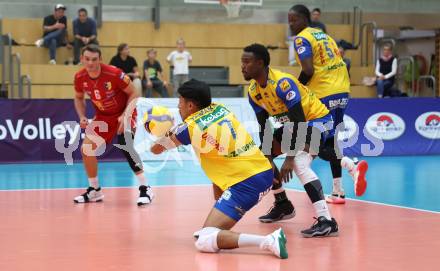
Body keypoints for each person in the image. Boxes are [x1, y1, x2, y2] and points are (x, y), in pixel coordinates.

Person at [150, 79, 288, 258]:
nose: (179, 108)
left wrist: (163, 131)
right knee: (213, 216)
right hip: (262, 170)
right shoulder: (220, 108)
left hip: (246, 182)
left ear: (191, 105)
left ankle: (268, 240)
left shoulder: (189, 127)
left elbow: (156, 150)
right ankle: (220, 228)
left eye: (180, 104)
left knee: (204, 239)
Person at [242, 43, 339, 237]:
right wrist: (267, 156)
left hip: (319, 121)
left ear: (260, 63)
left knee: (299, 163)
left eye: (247, 62)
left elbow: (300, 123)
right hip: (293, 127)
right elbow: (264, 127)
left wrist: (289, 157)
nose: (242, 66)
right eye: (242, 62)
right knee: (262, 158)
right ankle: (283, 204)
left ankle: (327, 221)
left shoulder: (283, 84)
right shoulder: (254, 91)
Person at [289, 4, 368, 205]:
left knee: (318, 143)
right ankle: (338, 191)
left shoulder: (302, 38)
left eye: (294, 20)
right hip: (341, 89)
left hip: (323, 93)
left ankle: (352, 166)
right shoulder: (323, 35)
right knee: (332, 140)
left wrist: (297, 88)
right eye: (289, 20)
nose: (291, 24)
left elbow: (308, 70)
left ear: (305, 20)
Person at [73, 44, 153, 206]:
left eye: (94, 59)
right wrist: (82, 116)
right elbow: (79, 98)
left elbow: (134, 93)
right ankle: (95, 190)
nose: (90, 63)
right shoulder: (80, 77)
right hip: (103, 116)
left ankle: (146, 188)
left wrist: (125, 115)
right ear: (82, 59)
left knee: (124, 143)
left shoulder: (114, 73)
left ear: (100, 59)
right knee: (86, 149)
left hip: (125, 111)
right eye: (87, 59)